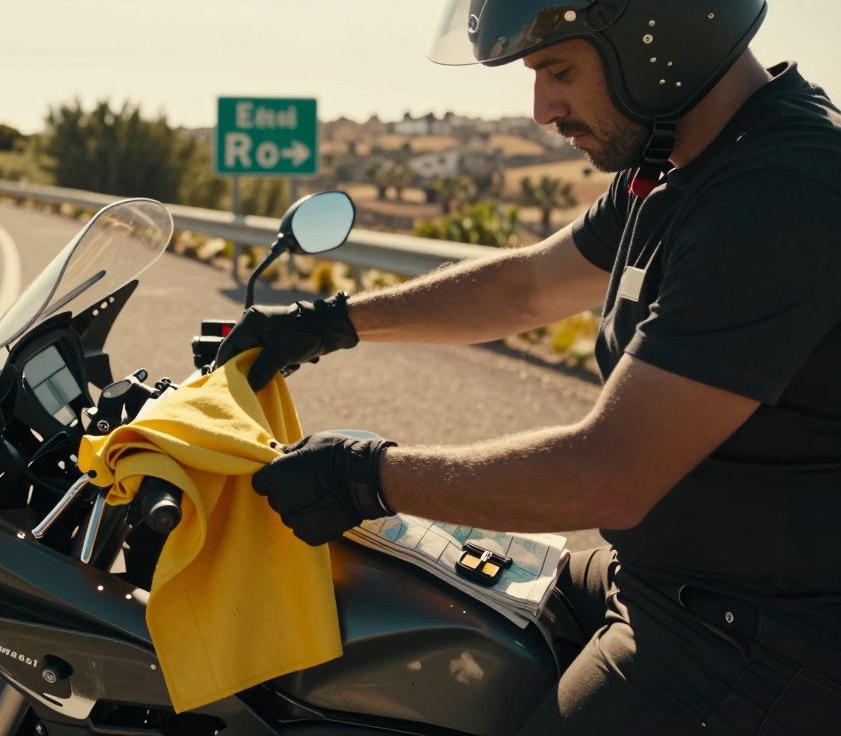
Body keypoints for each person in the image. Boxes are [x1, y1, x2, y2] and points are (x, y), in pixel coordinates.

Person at [216, 1, 841, 732]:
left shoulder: (777, 191)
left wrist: (365, 477)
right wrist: (332, 323)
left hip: (760, 638)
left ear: (657, 40)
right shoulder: (682, 163)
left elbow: (606, 474)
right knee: (405, 605)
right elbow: (527, 285)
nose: (543, 109)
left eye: (558, 70)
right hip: (659, 578)